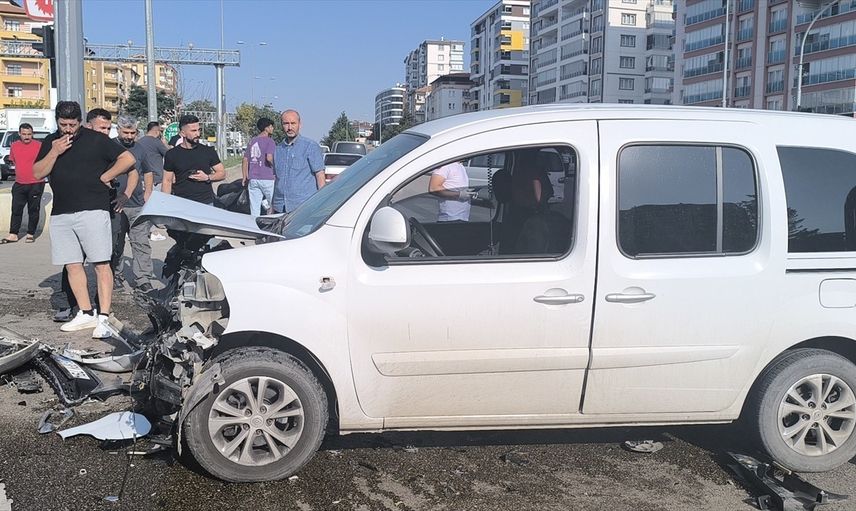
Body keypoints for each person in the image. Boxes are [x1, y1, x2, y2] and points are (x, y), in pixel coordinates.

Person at [34, 101, 134, 338]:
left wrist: (106, 176)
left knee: (101, 263)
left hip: (93, 210)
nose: (68, 129)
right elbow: (37, 172)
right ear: (57, 121)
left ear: (80, 122)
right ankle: (86, 313)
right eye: (63, 125)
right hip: (61, 212)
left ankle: (104, 317)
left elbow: (128, 159)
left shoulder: (96, 139)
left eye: (72, 125)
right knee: (72, 264)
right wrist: (54, 152)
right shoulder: (50, 141)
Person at [162, 114, 225, 252]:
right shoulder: (172, 154)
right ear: (182, 133)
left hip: (205, 203)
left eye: (198, 130)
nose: (197, 134)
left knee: (205, 240)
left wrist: (207, 177)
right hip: (182, 204)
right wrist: (165, 204)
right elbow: (167, 180)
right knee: (184, 241)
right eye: (193, 130)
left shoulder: (207, 151)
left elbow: (222, 173)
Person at [112, 116, 155, 292]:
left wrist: (148, 192)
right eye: (126, 132)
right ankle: (116, 275)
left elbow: (148, 171)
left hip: (137, 204)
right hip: (115, 203)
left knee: (141, 243)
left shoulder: (140, 148)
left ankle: (143, 278)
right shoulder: (110, 147)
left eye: (133, 133)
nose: (129, 136)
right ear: (118, 130)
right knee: (116, 243)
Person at [272, 109, 325, 214]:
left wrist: (322, 204)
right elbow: (277, 179)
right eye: (286, 123)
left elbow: (320, 176)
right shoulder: (278, 150)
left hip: (303, 207)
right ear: (282, 125)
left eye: (293, 123)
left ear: (300, 125)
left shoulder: (310, 146)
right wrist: (272, 206)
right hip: (280, 206)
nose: (290, 127)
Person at [2, 123, 44, 244]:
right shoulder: (14, 146)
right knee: (16, 209)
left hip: (36, 183)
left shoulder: (39, 146)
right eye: (24, 134)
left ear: (33, 134)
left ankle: (30, 234)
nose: (27, 137)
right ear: (19, 134)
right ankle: (13, 234)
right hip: (19, 183)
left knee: (33, 210)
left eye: (29, 134)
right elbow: (14, 161)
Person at [134, 121, 168, 242]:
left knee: (143, 205)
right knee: (153, 206)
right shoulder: (157, 142)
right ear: (157, 131)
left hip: (141, 177)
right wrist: (165, 143)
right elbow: (169, 154)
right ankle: (152, 231)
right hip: (155, 178)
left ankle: (137, 229)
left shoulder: (139, 142)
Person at [242, 117, 276, 217]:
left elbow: (245, 160)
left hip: (253, 178)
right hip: (267, 178)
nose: (272, 128)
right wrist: (276, 168)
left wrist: (245, 176)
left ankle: (254, 225)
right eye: (271, 127)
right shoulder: (270, 141)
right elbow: (269, 158)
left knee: (254, 209)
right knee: (273, 206)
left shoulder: (252, 141)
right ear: (266, 128)